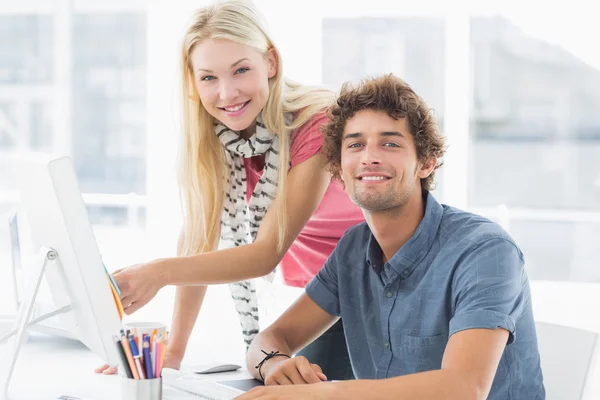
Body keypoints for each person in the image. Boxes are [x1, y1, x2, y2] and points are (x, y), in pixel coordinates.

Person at [95, 0, 363, 380]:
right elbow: (200, 236)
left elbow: (266, 253)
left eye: (241, 70)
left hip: (383, 281)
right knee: (279, 378)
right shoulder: (219, 135)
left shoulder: (315, 123)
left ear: (270, 63)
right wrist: (172, 354)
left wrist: (157, 273)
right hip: (330, 290)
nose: (227, 93)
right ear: (193, 81)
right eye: (208, 78)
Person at [236, 74, 545, 400]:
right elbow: (270, 339)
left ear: (426, 162)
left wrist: (318, 394)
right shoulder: (353, 250)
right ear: (339, 168)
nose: (369, 156)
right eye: (355, 144)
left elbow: (463, 389)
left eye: (390, 143)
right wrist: (273, 365)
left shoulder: (486, 251)